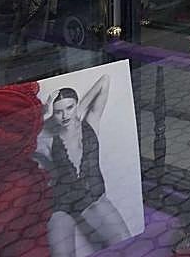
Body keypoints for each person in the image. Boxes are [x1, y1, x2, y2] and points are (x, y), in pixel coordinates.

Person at [37, 75, 131, 256]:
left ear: (76, 105)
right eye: (58, 112)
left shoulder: (90, 124)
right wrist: (44, 111)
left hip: (92, 198)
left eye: (69, 108)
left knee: (126, 245)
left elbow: (105, 81)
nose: (65, 116)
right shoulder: (48, 140)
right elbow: (24, 139)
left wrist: (78, 109)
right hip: (60, 203)